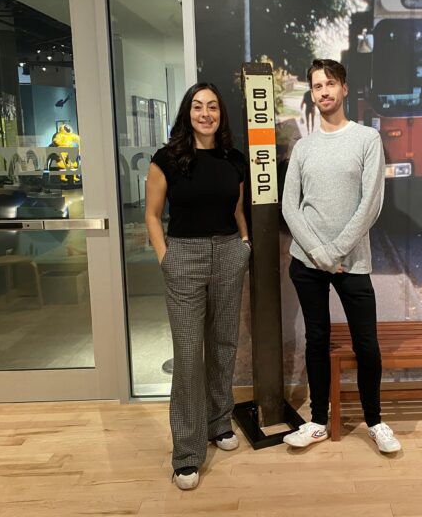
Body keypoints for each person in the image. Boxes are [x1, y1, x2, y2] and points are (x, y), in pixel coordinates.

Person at [281, 59, 401, 453]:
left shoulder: (367, 139)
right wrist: (318, 252)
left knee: (367, 344)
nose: (324, 92)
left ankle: (375, 421)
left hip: (352, 262)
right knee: (316, 340)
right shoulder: (303, 147)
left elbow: (371, 205)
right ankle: (317, 421)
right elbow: (289, 207)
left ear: (344, 89)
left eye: (330, 83)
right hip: (308, 263)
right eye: (317, 86)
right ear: (312, 95)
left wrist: (335, 251)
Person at [145, 82, 252, 490]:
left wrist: (243, 244)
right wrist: (166, 257)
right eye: (197, 106)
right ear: (186, 112)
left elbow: (238, 208)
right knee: (189, 354)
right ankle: (187, 453)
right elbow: (153, 215)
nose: (205, 113)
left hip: (228, 253)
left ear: (220, 114)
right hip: (184, 257)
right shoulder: (167, 158)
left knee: (224, 342)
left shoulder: (233, 159)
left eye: (212, 107)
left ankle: (219, 421)